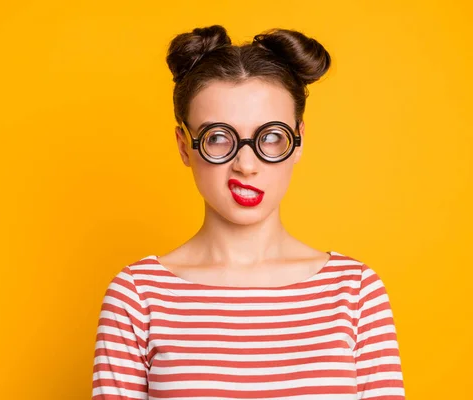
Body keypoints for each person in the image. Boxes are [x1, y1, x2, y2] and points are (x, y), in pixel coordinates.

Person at [91, 25, 405, 399]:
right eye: (218, 137)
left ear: (299, 140)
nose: (245, 164)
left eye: (271, 137)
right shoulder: (137, 297)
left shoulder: (355, 292)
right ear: (184, 146)